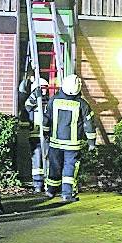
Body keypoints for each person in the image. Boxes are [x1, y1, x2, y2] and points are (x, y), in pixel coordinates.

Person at [41, 74, 96, 202]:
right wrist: (91, 143)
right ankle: (67, 194)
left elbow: (46, 120)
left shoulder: (53, 100)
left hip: (55, 143)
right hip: (73, 145)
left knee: (54, 167)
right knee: (70, 169)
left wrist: (46, 134)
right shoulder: (82, 104)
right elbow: (89, 124)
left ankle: (50, 191)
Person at [24, 77, 50, 192]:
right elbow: (28, 105)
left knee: (48, 160)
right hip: (35, 136)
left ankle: (48, 184)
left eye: (45, 89)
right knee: (37, 161)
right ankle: (38, 185)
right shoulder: (31, 102)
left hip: (47, 136)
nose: (44, 91)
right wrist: (36, 94)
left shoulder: (49, 101)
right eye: (42, 89)